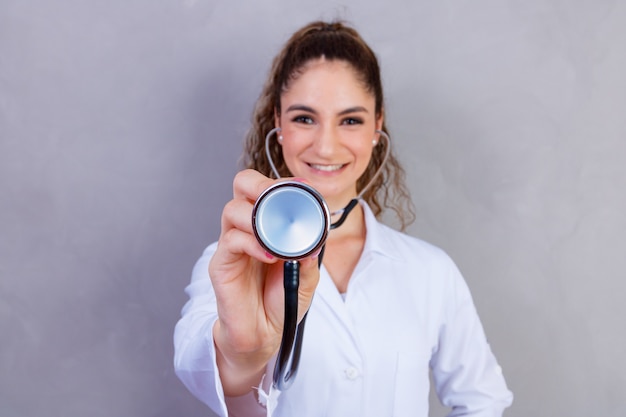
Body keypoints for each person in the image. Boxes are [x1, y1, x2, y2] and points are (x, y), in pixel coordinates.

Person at [174, 20, 513, 417]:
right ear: (278, 125)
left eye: (350, 120)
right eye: (304, 118)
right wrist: (242, 352)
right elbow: (199, 368)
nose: (326, 145)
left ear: (377, 127)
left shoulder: (431, 271)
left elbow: (482, 400)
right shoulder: (232, 262)